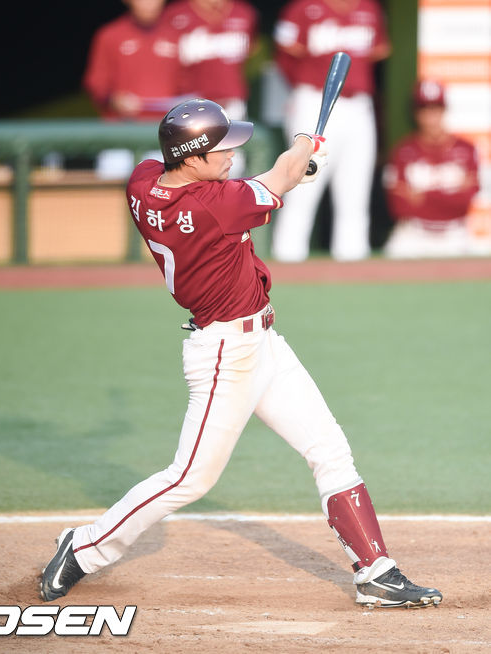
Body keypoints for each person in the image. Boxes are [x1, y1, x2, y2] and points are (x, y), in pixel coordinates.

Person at [40, 98, 442, 610]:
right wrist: (306, 145)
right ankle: (83, 547)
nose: (232, 154)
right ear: (190, 157)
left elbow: (265, 183)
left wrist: (291, 173)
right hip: (225, 354)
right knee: (189, 478)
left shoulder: (143, 181)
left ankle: (376, 572)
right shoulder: (216, 204)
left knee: (329, 449)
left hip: (263, 343)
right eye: (221, 148)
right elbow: (284, 173)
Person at [271, 0, 391, 262]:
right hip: (315, 100)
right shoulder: (303, 8)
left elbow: (377, 54)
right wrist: (301, 90)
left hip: (358, 104)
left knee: (355, 190)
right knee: (303, 185)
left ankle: (353, 261)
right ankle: (288, 259)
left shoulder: (368, 8)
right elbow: (284, 57)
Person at [383, 79, 483, 258]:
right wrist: (448, 193)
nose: (430, 116)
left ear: (444, 110)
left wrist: (422, 196)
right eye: (424, 109)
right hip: (413, 234)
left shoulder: (466, 149)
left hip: (454, 234)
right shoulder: (403, 151)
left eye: (436, 108)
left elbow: (466, 200)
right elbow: (398, 206)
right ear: (416, 113)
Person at [83, 0, 182, 177]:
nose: (148, 4)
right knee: (111, 180)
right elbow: (96, 84)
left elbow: (191, 82)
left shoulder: (178, 35)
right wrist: (114, 99)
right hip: (120, 135)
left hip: (167, 136)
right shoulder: (110, 34)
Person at [164, 0, 259, 176]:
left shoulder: (244, 13)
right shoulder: (174, 14)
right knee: (188, 165)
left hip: (231, 101)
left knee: (233, 165)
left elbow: (251, 52)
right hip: (188, 105)